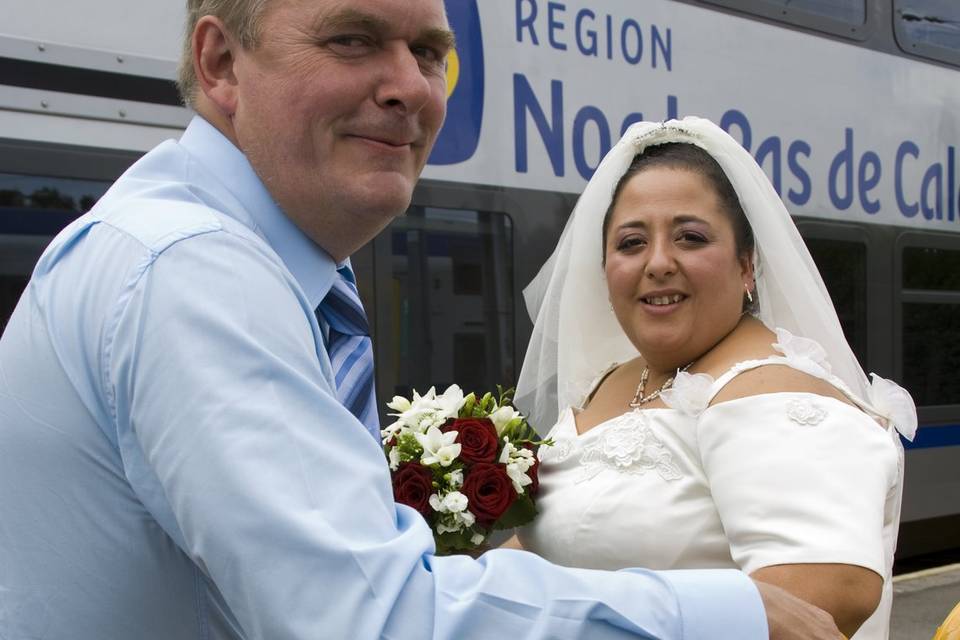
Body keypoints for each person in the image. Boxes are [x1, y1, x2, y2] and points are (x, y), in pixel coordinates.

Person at [0, 0, 843, 636]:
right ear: (221, 62)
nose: (411, 88)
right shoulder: (193, 270)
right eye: (353, 38)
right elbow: (371, 619)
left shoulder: (216, 252)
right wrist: (725, 618)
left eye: (430, 52)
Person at [514, 117, 918, 639]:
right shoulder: (611, 381)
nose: (658, 262)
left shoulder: (776, 396)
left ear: (747, 265)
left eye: (690, 237)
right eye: (631, 243)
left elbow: (824, 599)